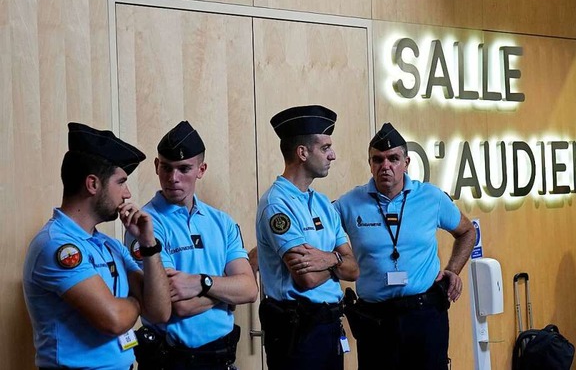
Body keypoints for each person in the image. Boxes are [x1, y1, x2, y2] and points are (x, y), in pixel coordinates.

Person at [23, 122, 171, 370]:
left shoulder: (109, 245)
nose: (127, 194)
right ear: (93, 184)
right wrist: (137, 302)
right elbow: (113, 320)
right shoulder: (57, 246)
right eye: (121, 182)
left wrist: (148, 244)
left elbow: (159, 312)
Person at [333, 122, 476, 370]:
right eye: (377, 160)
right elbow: (318, 234)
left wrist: (453, 269)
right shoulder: (349, 203)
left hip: (425, 315)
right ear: (370, 164)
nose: (385, 166)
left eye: (393, 159)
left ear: (406, 163)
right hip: (375, 320)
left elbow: (466, 232)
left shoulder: (431, 198)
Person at [126, 120, 258, 370]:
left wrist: (201, 283)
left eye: (184, 168)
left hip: (221, 357)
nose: (173, 178)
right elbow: (176, 305)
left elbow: (250, 289)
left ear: (201, 169)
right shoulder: (145, 225)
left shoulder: (222, 222)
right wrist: (226, 294)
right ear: (156, 166)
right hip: (173, 361)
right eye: (166, 167)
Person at [255, 105, 359, 370]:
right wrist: (338, 260)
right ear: (302, 152)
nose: (332, 155)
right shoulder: (277, 204)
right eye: (325, 148)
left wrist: (327, 258)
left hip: (328, 325)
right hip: (297, 331)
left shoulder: (323, 203)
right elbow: (307, 278)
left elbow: (354, 269)